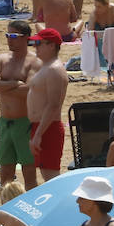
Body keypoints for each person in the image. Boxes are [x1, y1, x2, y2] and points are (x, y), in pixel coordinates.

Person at [0, 21, 39, 188]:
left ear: (26, 38)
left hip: (25, 123)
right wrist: (14, 83)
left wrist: (1, 86)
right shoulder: (1, 59)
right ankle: (6, 209)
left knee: (29, 174)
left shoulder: (33, 62)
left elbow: (29, 90)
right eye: (7, 35)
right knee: (5, 176)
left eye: (13, 36)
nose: (9, 40)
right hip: (5, 123)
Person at [26, 28, 69, 184]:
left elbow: (53, 106)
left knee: (51, 178)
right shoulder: (47, 66)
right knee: (46, 174)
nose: (35, 47)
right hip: (41, 126)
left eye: (38, 43)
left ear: (51, 45)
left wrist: (38, 135)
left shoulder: (54, 70)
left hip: (48, 128)